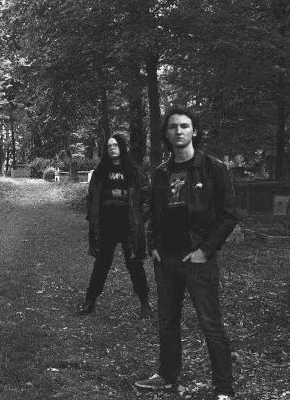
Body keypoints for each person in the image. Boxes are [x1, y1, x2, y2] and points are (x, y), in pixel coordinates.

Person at [134, 108, 237, 399]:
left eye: (184, 126)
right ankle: (167, 375)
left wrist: (205, 250)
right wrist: (153, 246)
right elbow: (154, 213)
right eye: (173, 127)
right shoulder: (161, 172)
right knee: (167, 320)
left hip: (197, 258)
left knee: (210, 324)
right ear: (166, 134)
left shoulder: (213, 168)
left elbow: (229, 215)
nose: (179, 131)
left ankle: (224, 388)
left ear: (194, 131)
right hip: (166, 259)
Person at [77, 133, 152, 318]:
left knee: (134, 264)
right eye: (109, 146)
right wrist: (93, 218)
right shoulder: (100, 172)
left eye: (115, 145)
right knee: (101, 265)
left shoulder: (134, 171)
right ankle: (89, 301)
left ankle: (145, 303)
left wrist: (139, 217)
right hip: (106, 225)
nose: (112, 148)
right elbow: (91, 197)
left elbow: (147, 196)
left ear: (122, 147)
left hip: (129, 226)